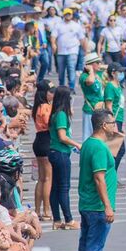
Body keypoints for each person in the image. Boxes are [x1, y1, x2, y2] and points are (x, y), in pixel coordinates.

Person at [77, 109, 118, 251]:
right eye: (113, 123)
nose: (115, 126)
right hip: (97, 206)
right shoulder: (99, 147)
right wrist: (107, 206)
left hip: (88, 204)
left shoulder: (88, 143)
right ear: (104, 125)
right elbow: (99, 178)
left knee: (86, 244)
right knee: (94, 249)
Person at [47, 85, 81, 230]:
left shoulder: (56, 113)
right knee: (63, 187)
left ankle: (57, 219)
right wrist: (77, 144)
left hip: (54, 152)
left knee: (55, 188)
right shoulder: (61, 114)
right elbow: (62, 137)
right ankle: (69, 219)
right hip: (61, 152)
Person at [31, 81, 54, 221]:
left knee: (41, 178)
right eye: (50, 91)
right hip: (46, 140)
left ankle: (37, 210)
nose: (52, 94)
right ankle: (46, 211)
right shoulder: (45, 107)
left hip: (39, 140)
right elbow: (48, 123)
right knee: (47, 178)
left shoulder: (37, 106)